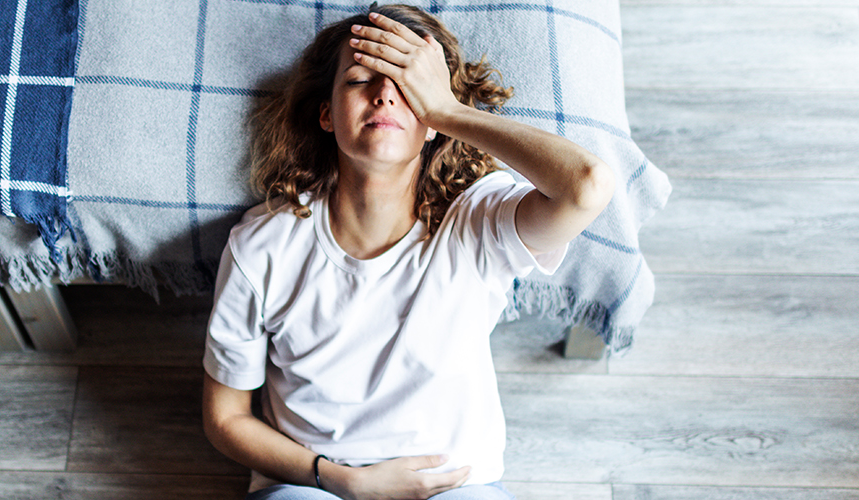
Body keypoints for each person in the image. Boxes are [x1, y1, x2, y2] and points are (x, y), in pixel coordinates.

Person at [202, 4, 615, 499]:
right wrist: (341, 479)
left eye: (408, 87)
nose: (383, 94)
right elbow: (225, 417)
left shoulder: (478, 223)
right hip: (314, 484)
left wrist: (448, 110)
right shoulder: (261, 248)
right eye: (360, 80)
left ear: (434, 121)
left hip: (456, 487)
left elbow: (586, 187)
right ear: (327, 115)